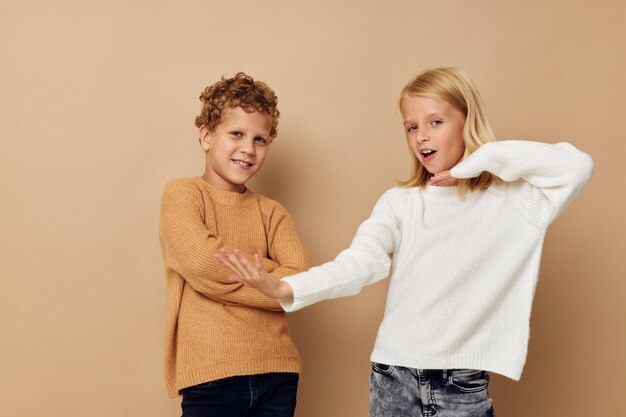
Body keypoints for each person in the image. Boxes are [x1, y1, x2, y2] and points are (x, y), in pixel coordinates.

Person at [216, 67, 595, 417]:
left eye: (436, 122)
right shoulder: (402, 202)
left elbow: (578, 167)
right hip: (391, 377)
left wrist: (479, 161)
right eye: (411, 127)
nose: (422, 136)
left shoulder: (517, 201)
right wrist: (284, 286)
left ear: (468, 122)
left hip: (460, 385)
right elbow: (361, 263)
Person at [159, 72, 312, 417]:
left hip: (278, 371)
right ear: (206, 136)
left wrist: (281, 282)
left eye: (260, 139)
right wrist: (271, 278)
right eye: (237, 134)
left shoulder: (272, 213)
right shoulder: (182, 195)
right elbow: (203, 264)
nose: (248, 148)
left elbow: (302, 279)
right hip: (212, 373)